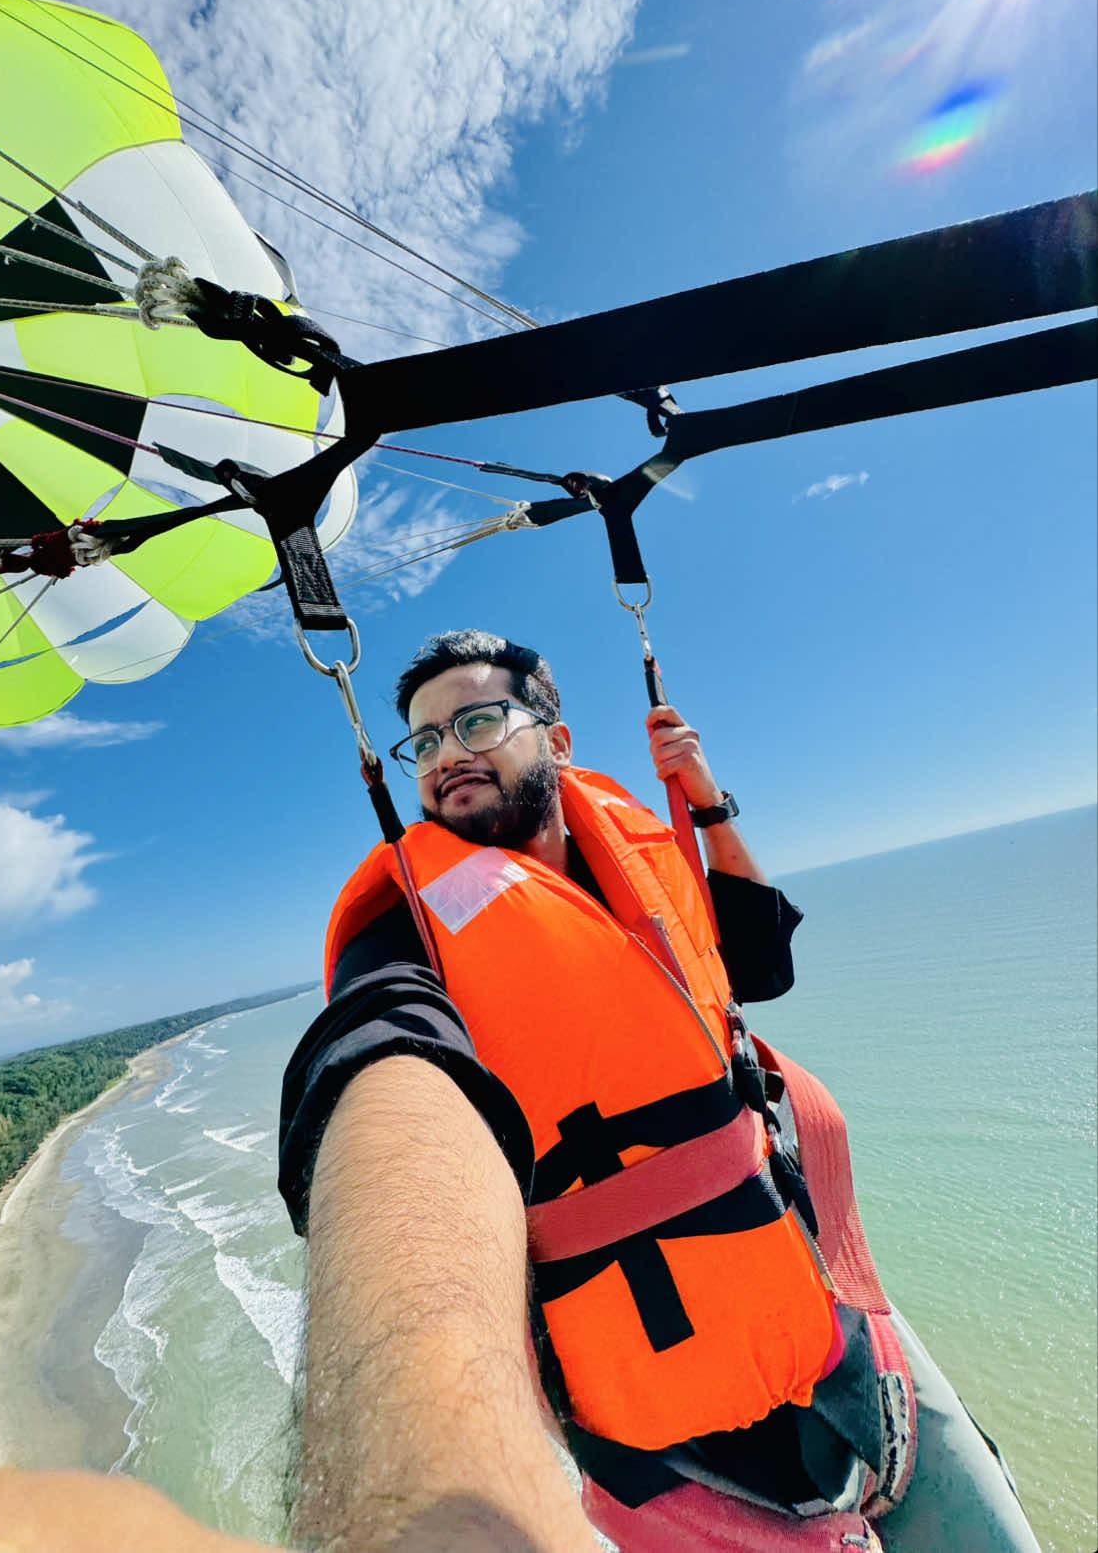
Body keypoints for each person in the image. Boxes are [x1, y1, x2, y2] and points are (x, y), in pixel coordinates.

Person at [279, 630, 1041, 1553]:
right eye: (426, 742)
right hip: (651, 1405)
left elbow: (758, 965)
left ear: (556, 741)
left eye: (476, 721)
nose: (448, 755)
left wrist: (710, 803)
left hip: (811, 1296)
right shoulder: (409, 922)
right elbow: (381, 1041)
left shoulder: (630, 842)